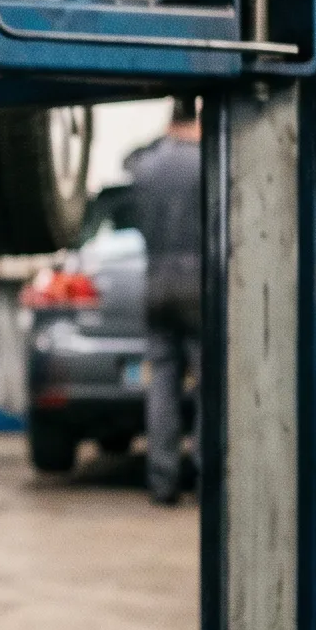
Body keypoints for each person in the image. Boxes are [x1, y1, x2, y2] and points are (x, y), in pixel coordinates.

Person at [125, 95, 204, 505]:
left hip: (155, 283)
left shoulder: (147, 166)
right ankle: (208, 478)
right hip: (200, 285)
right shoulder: (207, 161)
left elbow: (129, 160)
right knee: (210, 385)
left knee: (162, 383)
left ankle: (162, 479)